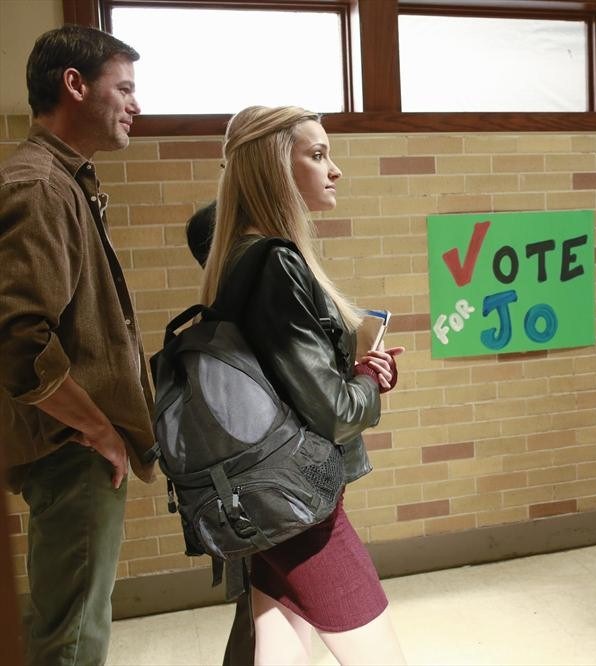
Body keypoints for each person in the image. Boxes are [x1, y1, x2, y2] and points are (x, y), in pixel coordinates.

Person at [201, 105, 407, 665]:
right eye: (317, 156)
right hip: (298, 506)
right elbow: (335, 411)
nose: (334, 169)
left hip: (260, 496)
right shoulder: (275, 263)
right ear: (274, 169)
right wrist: (365, 373)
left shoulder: (235, 253)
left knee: (278, 645)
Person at [0, 25, 155, 665]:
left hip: (73, 444)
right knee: (71, 634)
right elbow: (20, 344)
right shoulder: (41, 185)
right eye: (124, 88)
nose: (135, 106)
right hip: (72, 448)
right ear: (74, 84)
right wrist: (101, 431)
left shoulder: (63, 179)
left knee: (77, 618)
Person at [184, 200, 256, 666]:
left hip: (252, 493)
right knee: (259, 613)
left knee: (264, 613)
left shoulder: (219, 319)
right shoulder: (229, 328)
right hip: (255, 494)